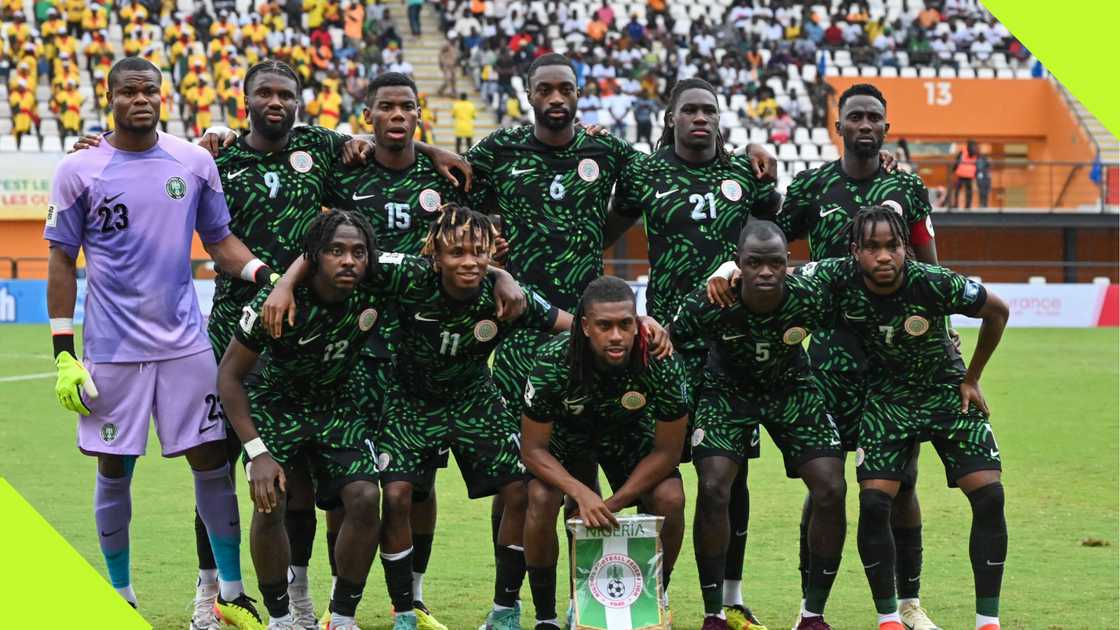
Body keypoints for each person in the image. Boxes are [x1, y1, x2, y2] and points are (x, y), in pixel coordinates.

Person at [44, 57, 266, 628]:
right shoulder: (79, 169)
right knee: (114, 468)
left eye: (150, 91)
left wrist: (265, 276)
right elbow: (62, 259)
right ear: (110, 96)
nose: (140, 99)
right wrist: (63, 352)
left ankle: (231, 596)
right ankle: (120, 596)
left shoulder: (192, 163)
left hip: (185, 346)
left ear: (163, 97)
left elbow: (219, 240)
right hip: (113, 351)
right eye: (129, 91)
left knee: (212, 462)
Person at [266, 206, 564, 630]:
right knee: (400, 494)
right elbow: (337, 253)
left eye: (478, 252)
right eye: (457, 251)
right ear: (435, 255)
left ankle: (505, 609)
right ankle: (405, 611)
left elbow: (571, 324)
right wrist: (284, 285)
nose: (469, 261)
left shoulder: (505, 295)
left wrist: (641, 328)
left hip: (473, 397)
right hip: (410, 400)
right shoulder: (406, 274)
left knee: (519, 490)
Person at [747, 82, 944, 630]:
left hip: (897, 364)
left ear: (886, 127)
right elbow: (767, 248)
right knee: (825, 485)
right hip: (828, 362)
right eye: (853, 116)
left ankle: (909, 603)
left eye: (873, 118)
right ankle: (813, 609)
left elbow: (928, 267)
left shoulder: (907, 185)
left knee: (902, 482)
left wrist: (941, 336)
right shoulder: (811, 188)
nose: (864, 125)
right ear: (838, 127)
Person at [609, 77, 778, 630]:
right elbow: (598, 230)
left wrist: (762, 161)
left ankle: (728, 597)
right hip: (664, 344)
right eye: (690, 110)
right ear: (671, 118)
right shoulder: (644, 172)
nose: (700, 118)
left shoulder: (742, 175)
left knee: (730, 476)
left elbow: (774, 232)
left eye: (709, 109)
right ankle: (644, 594)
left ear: (719, 119)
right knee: (657, 471)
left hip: (733, 347)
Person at [797, 205, 1009, 630]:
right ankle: (889, 618)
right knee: (874, 501)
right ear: (855, 251)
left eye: (893, 246)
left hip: (945, 391)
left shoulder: (932, 282)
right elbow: (777, 275)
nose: (883, 257)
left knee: (989, 495)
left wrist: (972, 377)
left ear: (905, 249)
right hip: (888, 399)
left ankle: (988, 621)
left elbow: (997, 311)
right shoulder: (835, 275)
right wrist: (727, 268)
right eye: (872, 247)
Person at [218, 211, 388, 630]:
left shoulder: (380, 282)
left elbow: (440, 265)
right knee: (272, 499)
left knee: (366, 497)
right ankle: (280, 619)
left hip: (340, 405)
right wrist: (256, 452)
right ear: (315, 256)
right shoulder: (271, 304)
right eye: (335, 251)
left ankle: (342, 618)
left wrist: (502, 275)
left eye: (358, 252)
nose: (348, 261)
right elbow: (229, 376)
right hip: (278, 405)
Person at [675, 221, 847, 630]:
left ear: (789, 264)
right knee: (715, 484)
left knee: (831, 485)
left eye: (775, 262)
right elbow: (671, 339)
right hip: (726, 389)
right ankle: (714, 612)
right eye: (755, 263)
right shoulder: (712, 299)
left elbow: (853, 285)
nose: (765, 272)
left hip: (791, 386)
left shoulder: (809, 296)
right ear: (739, 264)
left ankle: (813, 614)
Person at [521, 276, 688, 630]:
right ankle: (547, 617)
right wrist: (580, 492)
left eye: (625, 324)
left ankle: (653, 598)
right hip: (568, 436)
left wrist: (612, 502)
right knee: (540, 495)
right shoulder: (554, 359)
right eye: (604, 325)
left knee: (671, 496)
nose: (616, 336)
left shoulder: (660, 357)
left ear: (637, 321)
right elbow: (532, 449)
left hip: (629, 434)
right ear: (584, 326)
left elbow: (669, 451)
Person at [952, 139, 978, 209]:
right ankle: (968, 205)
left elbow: (957, 161)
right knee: (969, 191)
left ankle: (956, 204)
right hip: (970, 174)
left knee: (957, 189)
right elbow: (977, 164)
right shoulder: (976, 152)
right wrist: (976, 174)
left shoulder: (962, 151)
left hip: (961, 173)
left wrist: (953, 170)